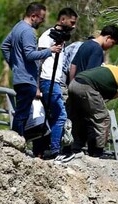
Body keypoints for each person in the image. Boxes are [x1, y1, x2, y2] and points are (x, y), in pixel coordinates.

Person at [1, 3, 61, 139]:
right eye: (42, 18)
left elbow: (4, 46)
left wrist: (15, 65)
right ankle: (15, 143)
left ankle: (16, 142)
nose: (43, 21)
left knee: (21, 113)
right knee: (22, 115)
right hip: (27, 79)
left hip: (20, 78)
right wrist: (49, 51)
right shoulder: (28, 32)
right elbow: (29, 55)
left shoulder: (17, 27)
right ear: (33, 16)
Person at [33, 7, 77, 159]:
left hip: (54, 81)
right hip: (47, 80)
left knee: (49, 116)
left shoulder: (61, 38)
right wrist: (37, 86)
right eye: (72, 22)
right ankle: (55, 152)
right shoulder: (47, 37)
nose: (74, 26)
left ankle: (40, 151)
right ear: (63, 20)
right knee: (60, 116)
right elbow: (38, 61)